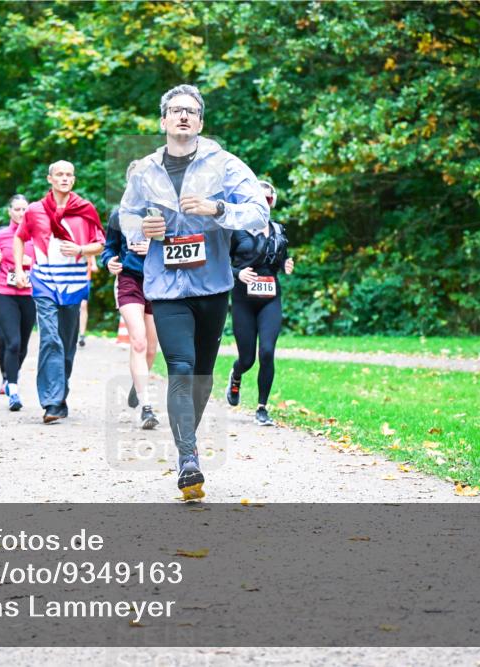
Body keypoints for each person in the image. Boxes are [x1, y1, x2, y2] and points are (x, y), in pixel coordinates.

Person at [119, 84, 268, 500]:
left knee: (201, 373)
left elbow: (258, 211)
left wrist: (217, 209)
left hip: (211, 285)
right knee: (181, 367)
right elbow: (125, 215)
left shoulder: (225, 164)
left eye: (191, 111)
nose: (183, 116)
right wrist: (141, 228)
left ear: (200, 122)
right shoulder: (145, 170)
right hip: (166, 287)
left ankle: (189, 441)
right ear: (163, 120)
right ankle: (188, 459)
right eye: (176, 110)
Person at [13, 161, 104, 424]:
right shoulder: (35, 210)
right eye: (59, 174)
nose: (64, 178)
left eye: (69, 175)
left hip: (73, 284)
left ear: (73, 179)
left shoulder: (85, 209)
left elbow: (100, 244)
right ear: (50, 179)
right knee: (50, 338)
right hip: (44, 282)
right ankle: (51, 402)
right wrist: (19, 269)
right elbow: (20, 237)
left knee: (67, 343)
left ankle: (59, 395)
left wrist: (80, 250)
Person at [225, 180, 294, 426]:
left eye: (268, 199)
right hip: (243, 300)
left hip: (270, 299)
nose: (264, 203)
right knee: (247, 359)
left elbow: (281, 257)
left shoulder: (278, 229)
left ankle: (262, 408)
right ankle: (236, 375)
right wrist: (238, 273)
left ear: (272, 202)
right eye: (259, 199)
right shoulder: (237, 230)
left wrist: (286, 264)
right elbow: (220, 263)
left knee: (266, 352)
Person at [102, 160, 159, 429]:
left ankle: (138, 385)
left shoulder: (162, 213)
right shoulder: (119, 215)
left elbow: (176, 248)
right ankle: (146, 408)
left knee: (151, 348)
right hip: (129, 281)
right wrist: (109, 261)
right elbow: (109, 248)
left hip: (158, 284)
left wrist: (154, 249)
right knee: (138, 342)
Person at [0, 195, 36, 411]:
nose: (21, 213)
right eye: (17, 209)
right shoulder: (0, 236)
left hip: (29, 295)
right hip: (4, 293)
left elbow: (47, 263)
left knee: (23, 346)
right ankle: (12, 389)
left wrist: (31, 262)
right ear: (10, 211)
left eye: (25, 209)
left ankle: (12, 375)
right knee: (12, 342)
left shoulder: (36, 235)